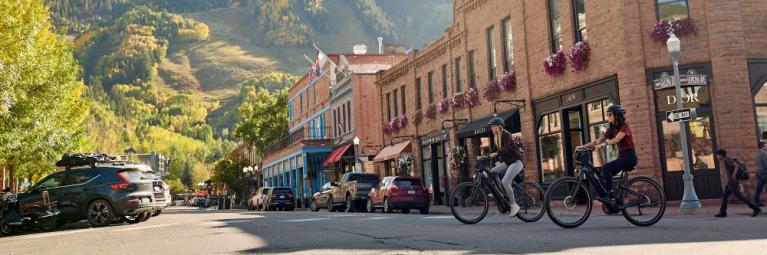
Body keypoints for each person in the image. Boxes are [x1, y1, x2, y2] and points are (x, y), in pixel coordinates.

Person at [580, 105, 637, 202]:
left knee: (606, 167)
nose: (608, 116)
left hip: (629, 157)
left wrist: (604, 144)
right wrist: (583, 146)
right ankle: (615, 200)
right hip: (622, 156)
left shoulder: (625, 126)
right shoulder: (611, 129)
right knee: (602, 173)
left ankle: (610, 195)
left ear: (616, 115)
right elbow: (598, 141)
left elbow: (617, 139)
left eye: (610, 114)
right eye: (607, 114)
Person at [487, 117, 524, 218]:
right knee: (492, 172)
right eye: (491, 126)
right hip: (508, 163)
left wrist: (496, 154)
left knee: (505, 181)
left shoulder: (506, 134)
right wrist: (485, 155)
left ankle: (513, 205)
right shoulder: (496, 137)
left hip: (516, 162)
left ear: (499, 126)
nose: (492, 128)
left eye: (493, 126)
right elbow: (494, 149)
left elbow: (506, 148)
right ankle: (500, 193)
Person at [715, 149, 761, 217]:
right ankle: (723, 212)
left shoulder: (727, 160)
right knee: (725, 196)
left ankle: (756, 208)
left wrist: (733, 175)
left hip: (732, 183)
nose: (717, 157)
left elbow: (737, 166)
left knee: (741, 197)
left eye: (718, 155)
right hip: (729, 183)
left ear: (721, 155)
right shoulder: (727, 159)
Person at [756, 142, 767, 207]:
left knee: (759, 189)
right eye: (766, 146)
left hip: (758, 173)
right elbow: (766, 164)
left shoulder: (757, 154)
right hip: (764, 173)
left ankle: (757, 202)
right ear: (762, 147)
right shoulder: (764, 154)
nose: (766, 147)